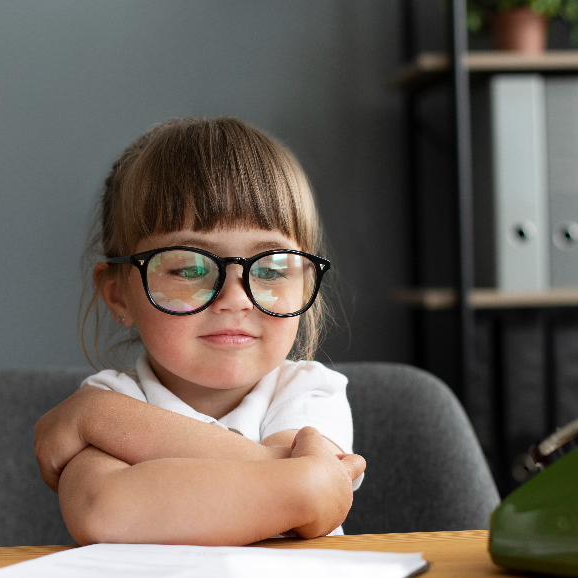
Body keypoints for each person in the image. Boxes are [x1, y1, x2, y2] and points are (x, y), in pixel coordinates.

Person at [34, 117, 365, 546]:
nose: (235, 297)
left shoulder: (309, 392)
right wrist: (297, 478)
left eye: (271, 268)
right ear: (119, 296)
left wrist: (94, 419)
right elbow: (103, 513)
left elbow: (301, 499)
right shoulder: (113, 397)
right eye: (189, 268)